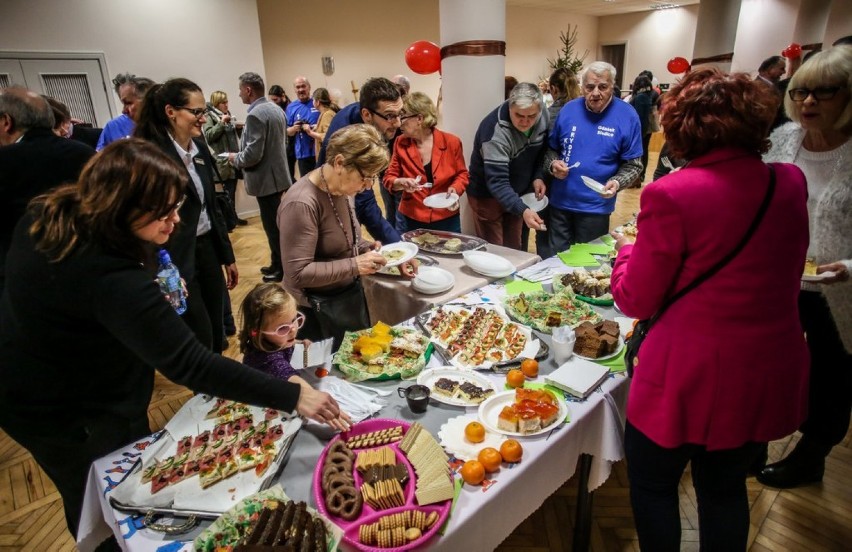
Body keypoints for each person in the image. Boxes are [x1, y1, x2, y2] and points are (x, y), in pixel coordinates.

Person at [0, 139, 344, 539]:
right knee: (97, 497)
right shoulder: (108, 277)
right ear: (121, 206)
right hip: (58, 402)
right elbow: (192, 365)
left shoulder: (62, 209)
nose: (176, 221)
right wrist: (294, 396)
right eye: (163, 213)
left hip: (57, 368)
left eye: (177, 206)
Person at [609, 68, 810, 551]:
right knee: (723, 489)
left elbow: (634, 298)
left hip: (687, 373)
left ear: (682, 126)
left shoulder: (673, 193)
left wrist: (626, 249)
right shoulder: (788, 181)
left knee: (654, 485)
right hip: (761, 368)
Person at [758, 45, 852, 489]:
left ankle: (811, 454)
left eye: (824, 93)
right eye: (801, 93)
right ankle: (752, 439)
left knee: (830, 375)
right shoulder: (782, 142)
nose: (809, 103)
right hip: (776, 280)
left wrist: (850, 266)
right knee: (766, 361)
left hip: (837, 289)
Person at [280, 124, 415, 349]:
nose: (367, 186)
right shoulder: (302, 202)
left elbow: (344, 238)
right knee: (326, 377)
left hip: (343, 300)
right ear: (340, 163)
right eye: (365, 177)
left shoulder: (341, 188)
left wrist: (369, 249)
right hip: (316, 312)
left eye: (373, 178)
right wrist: (355, 264)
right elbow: (298, 273)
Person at [135, 78, 238, 353]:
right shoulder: (150, 155)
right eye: (196, 112)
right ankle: (206, 390)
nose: (203, 119)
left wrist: (227, 256)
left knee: (216, 327)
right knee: (198, 330)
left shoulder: (200, 149)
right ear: (171, 112)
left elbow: (212, 207)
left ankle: (217, 387)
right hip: (173, 254)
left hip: (206, 249)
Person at [0, 86, 95, 292]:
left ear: (7, 122)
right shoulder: (85, 153)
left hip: (24, 277)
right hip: (87, 267)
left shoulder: (5, 161)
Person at [544, 61, 643, 252]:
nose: (595, 93)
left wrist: (617, 182)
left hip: (595, 207)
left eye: (603, 87)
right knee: (555, 260)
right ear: (582, 87)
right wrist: (553, 164)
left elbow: (634, 164)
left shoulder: (627, 115)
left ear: (612, 86)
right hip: (560, 204)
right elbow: (551, 149)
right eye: (589, 87)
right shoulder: (569, 110)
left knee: (588, 263)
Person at [238, 284, 349, 429]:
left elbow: (283, 346)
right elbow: (287, 375)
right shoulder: (263, 359)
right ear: (258, 332)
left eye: (295, 319)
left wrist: (297, 343)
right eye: (282, 328)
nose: (293, 330)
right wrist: (316, 399)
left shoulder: (275, 340)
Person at [318, 77, 404, 245]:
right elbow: (364, 203)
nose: (398, 123)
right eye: (390, 116)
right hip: (331, 200)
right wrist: (398, 246)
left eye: (400, 114)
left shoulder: (381, 122)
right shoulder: (347, 135)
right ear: (366, 115)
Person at [467, 82, 548, 250]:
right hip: (487, 196)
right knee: (495, 251)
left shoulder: (543, 114)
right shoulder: (494, 132)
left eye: (531, 116)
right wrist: (523, 210)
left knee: (514, 248)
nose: (525, 122)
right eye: (519, 115)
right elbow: (497, 182)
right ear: (509, 106)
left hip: (516, 192)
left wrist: (538, 176)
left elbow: (542, 150)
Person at [229, 72, 292, 283]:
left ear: (248, 90)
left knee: (273, 229)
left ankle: (281, 269)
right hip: (280, 178)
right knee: (276, 226)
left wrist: (234, 158)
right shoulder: (276, 110)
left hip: (266, 181)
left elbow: (252, 155)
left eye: (240, 90)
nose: (239, 95)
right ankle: (276, 263)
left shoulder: (256, 115)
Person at [383, 91, 469, 233]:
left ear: (419, 118)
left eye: (402, 117)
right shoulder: (400, 142)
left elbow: (462, 174)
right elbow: (389, 177)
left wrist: (455, 189)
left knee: (448, 254)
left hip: (445, 216)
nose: (399, 123)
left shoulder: (451, 142)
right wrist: (400, 182)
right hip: (411, 218)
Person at [532, 67, 582, 258]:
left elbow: (540, 150)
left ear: (553, 88)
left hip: (547, 180)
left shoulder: (548, 113)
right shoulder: (583, 113)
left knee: (544, 229)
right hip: (575, 185)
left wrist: (539, 175)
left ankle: (545, 266)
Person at [203, 90, 246, 226]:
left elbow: (232, 137)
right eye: (223, 102)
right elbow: (209, 136)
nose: (226, 104)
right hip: (222, 162)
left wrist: (238, 128)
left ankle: (233, 217)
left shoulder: (226, 114)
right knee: (225, 193)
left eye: (227, 101)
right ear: (216, 103)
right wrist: (221, 123)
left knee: (231, 191)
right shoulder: (209, 116)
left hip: (232, 160)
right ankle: (227, 220)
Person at [96, 74, 154, 150]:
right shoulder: (113, 127)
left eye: (128, 103)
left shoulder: (167, 124)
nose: (123, 111)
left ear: (146, 101)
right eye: (123, 104)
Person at [286, 76, 320, 178]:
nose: (301, 90)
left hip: (319, 151)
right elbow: (287, 131)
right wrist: (294, 128)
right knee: (307, 184)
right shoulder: (291, 107)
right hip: (303, 153)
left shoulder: (317, 103)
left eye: (303, 86)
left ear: (309, 87)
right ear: (295, 90)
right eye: (298, 87)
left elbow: (327, 123)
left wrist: (315, 127)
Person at [268, 84, 296, 182]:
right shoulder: (276, 109)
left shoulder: (291, 108)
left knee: (289, 175)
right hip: (281, 145)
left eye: (275, 100)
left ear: (283, 96)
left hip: (292, 145)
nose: (273, 103)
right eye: (272, 100)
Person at [629, 74, 655, 175]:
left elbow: (639, 116)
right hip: (645, 129)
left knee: (641, 152)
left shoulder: (641, 97)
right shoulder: (647, 95)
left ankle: (639, 176)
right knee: (643, 151)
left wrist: (639, 132)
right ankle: (640, 175)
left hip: (641, 130)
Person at [305, 87, 339, 162]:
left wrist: (310, 133)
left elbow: (328, 136)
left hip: (327, 159)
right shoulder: (324, 113)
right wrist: (316, 127)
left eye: (313, 100)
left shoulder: (327, 114)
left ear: (317, 102)